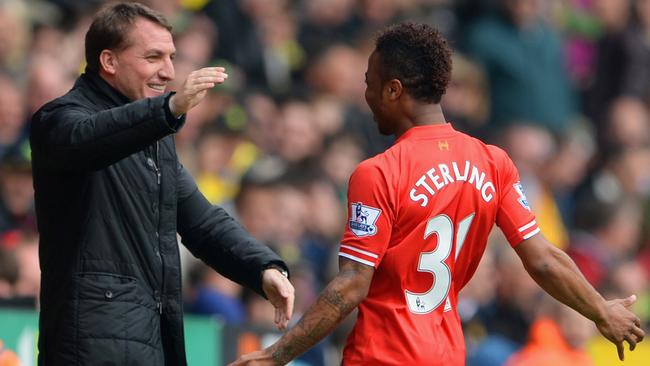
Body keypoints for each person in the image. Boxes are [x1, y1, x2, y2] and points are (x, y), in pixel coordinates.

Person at [230, 22, 644, 366]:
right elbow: (543, 258)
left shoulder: (378, 172)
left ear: (394, 90)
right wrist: (600, 309)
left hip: (383, 357)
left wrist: (274, 356)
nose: (367, 96)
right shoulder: (492, 161)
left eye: (371, 84)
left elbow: (351, 285)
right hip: (447, 354)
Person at [29, 3, 294, 365]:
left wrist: (263, 268)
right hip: (89, 347)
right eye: (153, 57)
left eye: (171, 57)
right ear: (108, 61)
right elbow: (89, 139)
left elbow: (202, 222)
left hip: (148, 339)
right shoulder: (58, 120)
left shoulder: (154, 137)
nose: (168, 72)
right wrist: (167, 110)